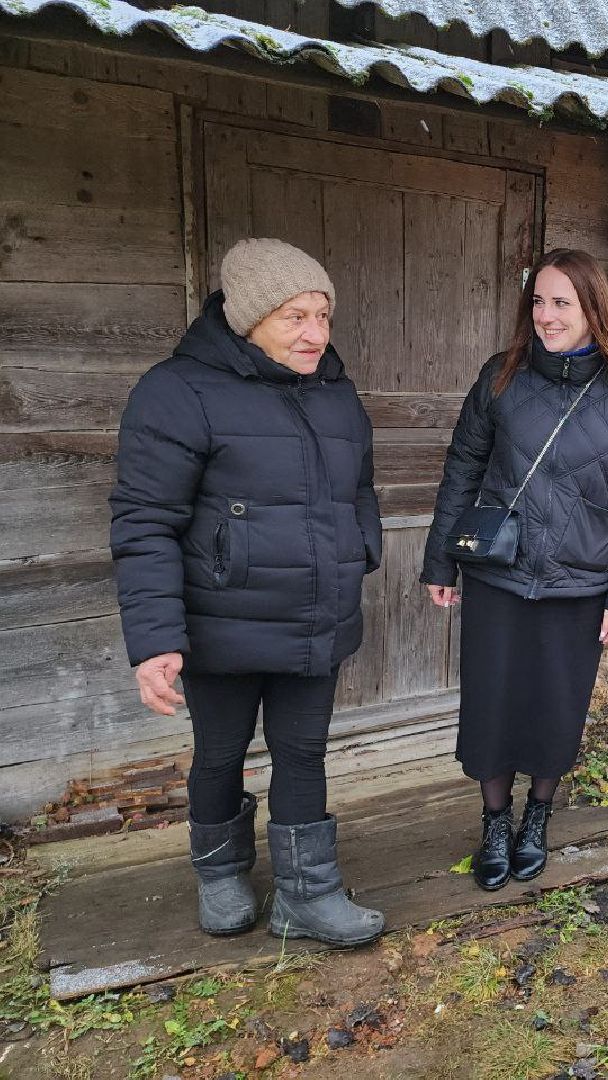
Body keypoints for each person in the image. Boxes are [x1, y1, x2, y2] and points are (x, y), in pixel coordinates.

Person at [110, 238, 385, 946]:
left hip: (315, 617)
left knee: (303, 752)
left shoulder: (334, 390)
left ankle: (307, 895)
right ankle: (221, 873)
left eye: (323, 316)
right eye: (296, 317)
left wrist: (361, 548)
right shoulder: (177, 392)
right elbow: (145, 521)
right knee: (219, 752)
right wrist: (156, 640)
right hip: (222, 620)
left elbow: (358, 486)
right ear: (247, 318)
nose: (315, 334)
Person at [421, 248, 608, 890]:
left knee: (556, 708)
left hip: (577, 584)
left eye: (562, 302)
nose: (547, 316)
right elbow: (462, 468)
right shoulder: (501, 376)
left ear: (593, 310)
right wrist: (441, 558)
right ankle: (495, 822)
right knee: (492, 703)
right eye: (538, 302)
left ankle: (537, 817)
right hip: (499, 574)